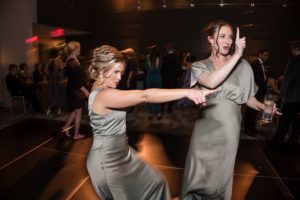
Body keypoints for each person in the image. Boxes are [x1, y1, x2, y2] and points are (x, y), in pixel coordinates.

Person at [86, 44, 215, 200]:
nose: (119, 77)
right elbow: (145, 96)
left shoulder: (99, 85)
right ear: (101, 70)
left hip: (121, 153)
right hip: (106, 161)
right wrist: (187, 92)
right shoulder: (104, 95)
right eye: (116, 72)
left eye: (122, 72)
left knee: (155, 183)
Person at [180, 20, 281, 200]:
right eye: (222, 36)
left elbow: (249, 98)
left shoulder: (243, 67)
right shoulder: (199, 66)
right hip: (204, 135)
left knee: (219, 182)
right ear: (211, 40)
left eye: (230, 37)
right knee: (197, 180)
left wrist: (265, 107)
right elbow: (211, 82)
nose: (227, 41)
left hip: (228, 135)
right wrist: (237, 56)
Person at [272, 41, 300, 149]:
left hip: (291, 97)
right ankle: (292, 143)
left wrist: (281, 94)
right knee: (297, 123)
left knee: (284, 121)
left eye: (292, 49)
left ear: (295, 49)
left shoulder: (293, 60)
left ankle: (276, 143)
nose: (291, 51)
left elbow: (288, 79)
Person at [61, 41, 89, 140]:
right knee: (79, 112)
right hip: (76, 90)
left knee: (75, 110)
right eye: (79, 48)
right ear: (74, 50)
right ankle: (76, 135)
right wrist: (85, 91)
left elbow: (75, 78)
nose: (80, 49)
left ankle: (65, 127)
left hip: (73, 89)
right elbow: (77, 80)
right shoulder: (72, 62)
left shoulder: (71, 60)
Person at [244, 49, 270, 135]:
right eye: (265, 55)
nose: (267, 57)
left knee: (255, 111)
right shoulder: (255, 64)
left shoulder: (263, 65)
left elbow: (264, 78)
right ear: (260, 55)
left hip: (260, 91)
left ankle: (252, 128)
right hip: (255, 91)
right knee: (251, 111)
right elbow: (253, 78)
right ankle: (247, 129)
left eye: (268, 56)